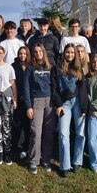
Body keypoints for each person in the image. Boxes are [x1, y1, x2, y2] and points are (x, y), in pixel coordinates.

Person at [51, 44, 88, 177]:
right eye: (68, 52)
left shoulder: (79, 69)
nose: (70, 55)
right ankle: (64, 165)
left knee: (80, 133)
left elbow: (83, 89)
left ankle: (77, 161)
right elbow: (54, 89)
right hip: (64, 104)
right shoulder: (57, 69)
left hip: (78, 102)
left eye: (72, 53)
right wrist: (58, 104)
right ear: (64, 53)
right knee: (63, 134)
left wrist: (84, 107)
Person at [24, 43, 56, 174]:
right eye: (35, 52)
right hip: (36, 101)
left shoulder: (50, 67)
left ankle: (46, 160)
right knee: (36, 133)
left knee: (48, 132)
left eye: (40, 51)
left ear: (43, 52)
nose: (38, 54)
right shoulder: (30, 68)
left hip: (50, 102)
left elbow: (54, 85)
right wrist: (28, 106)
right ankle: (33, 161)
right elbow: (26, 88)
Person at [11, 46, 31, 160]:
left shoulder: (31, 66)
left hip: (29, 100)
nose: (22, 56)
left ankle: (26, 147)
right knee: (18, 124)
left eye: (24, 54)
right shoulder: (14, 67)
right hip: (18, 99)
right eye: (20, 54)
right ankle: (18, 147)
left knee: (28, 125)